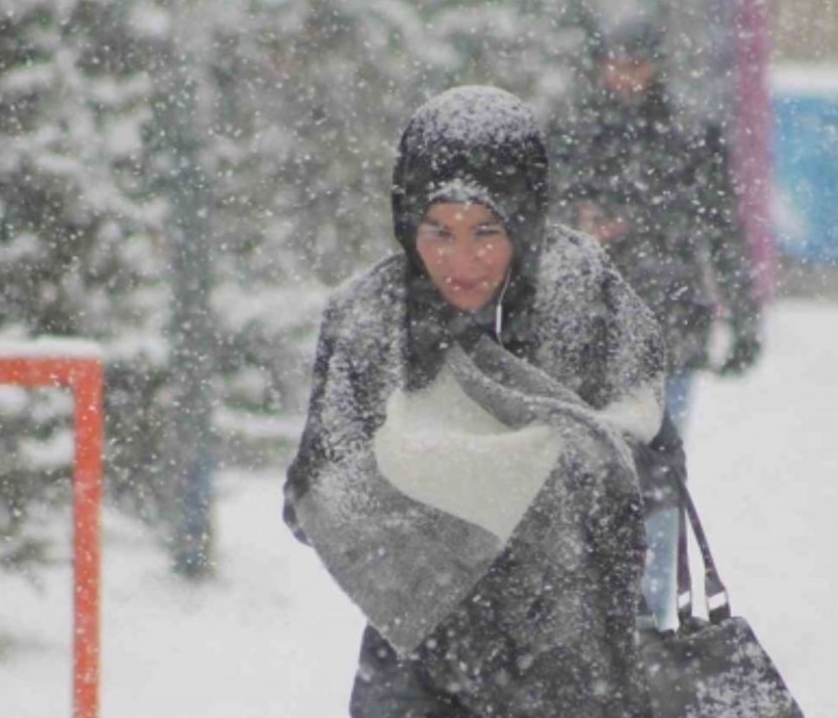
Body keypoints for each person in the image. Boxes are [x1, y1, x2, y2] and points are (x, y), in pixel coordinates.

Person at [283, 85, 685, 716]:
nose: (461, 260)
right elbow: (314, 497)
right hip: (418, 668)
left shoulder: (586, 298)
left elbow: (655, 469)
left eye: (487, 231)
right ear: (406, 221)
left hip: (575, 663)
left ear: (524, 218)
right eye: (438, 231)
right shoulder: (370, 320)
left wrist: (519, 479)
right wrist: (445, 522)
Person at [551, 15, 764, 633]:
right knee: (587, 481)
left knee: (659, 480)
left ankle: (647, 621)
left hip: (669, 332)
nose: (625, 76)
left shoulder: (689, 137)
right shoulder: (572, 135)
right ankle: (597, 617)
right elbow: (540, 227)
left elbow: (722, 231)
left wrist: (743, 319)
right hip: (585, 339)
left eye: (636, 63)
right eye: (615, 63)